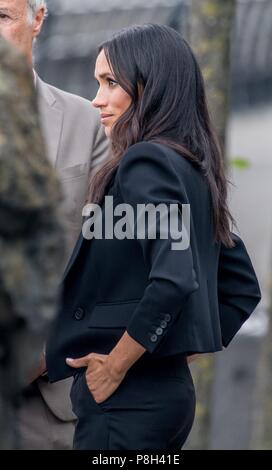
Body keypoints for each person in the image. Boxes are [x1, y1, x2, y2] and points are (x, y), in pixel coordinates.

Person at [46, 24, 261, 450]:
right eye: (97, 83)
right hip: (164, 396)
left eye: (110, 83)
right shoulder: (191, 169)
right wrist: (166, 355)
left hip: (125, 402)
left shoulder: (145, 162)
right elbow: (240, 288)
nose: (97, 99)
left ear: (148, 86)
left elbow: (174, 278)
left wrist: (118, 367)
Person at [0, 0, 110, 450]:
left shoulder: (86, 121)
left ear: (38, 19)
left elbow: (113, 259)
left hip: (49, 399)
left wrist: (48, 351)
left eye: (2, 17)